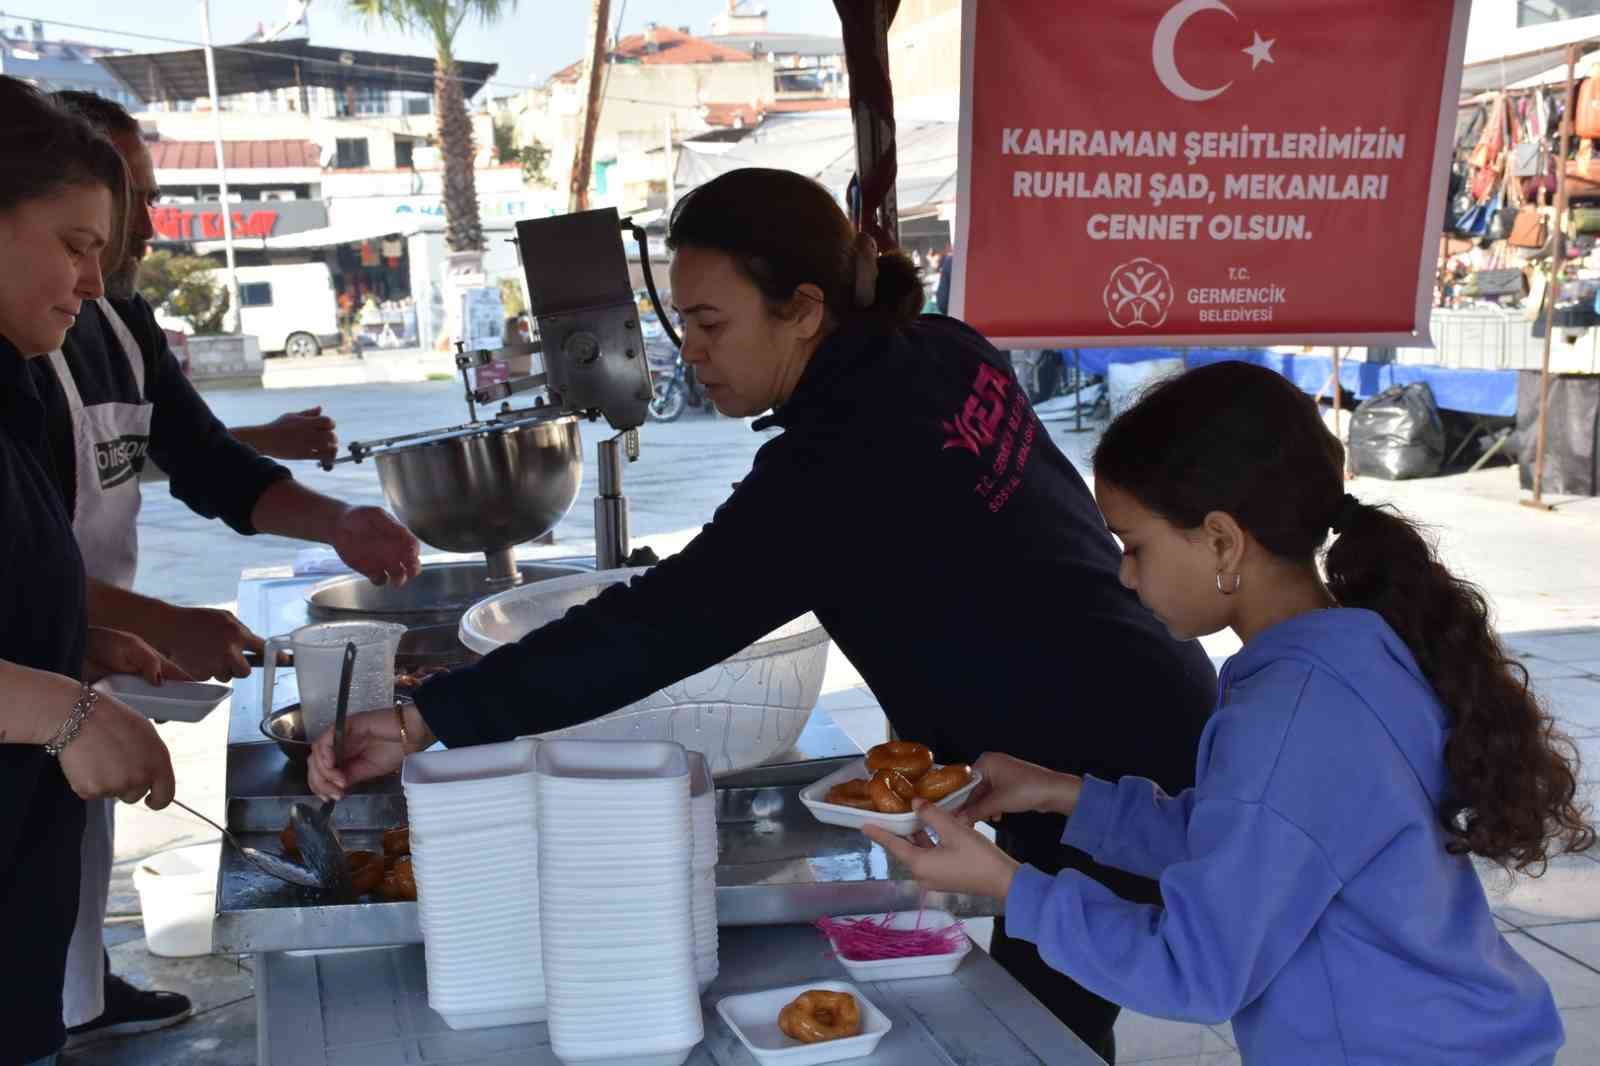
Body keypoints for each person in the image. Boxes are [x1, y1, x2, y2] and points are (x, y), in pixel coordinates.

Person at [311, 167, 1218, 1060]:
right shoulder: (942, 347)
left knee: (1045, 1028)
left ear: (805, 309)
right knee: (1048, 1010)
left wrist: (428, 717)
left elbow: (657, 625)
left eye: (712, 323)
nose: (690, 350)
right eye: (681, 322)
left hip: (1102, 763)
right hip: (1118, 718)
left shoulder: (839, 460)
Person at [869, 361, 1592, 1066]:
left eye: (1134, 545)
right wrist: (1067, 796)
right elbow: (1251, 838)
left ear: (1221, 540)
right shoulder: (1354, 652)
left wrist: (1008, 885)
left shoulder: (1288, 717)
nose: (1124, 574)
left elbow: (1194, 968)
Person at [41, 90, 422, 1049]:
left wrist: (340, 520)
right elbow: (17, 562)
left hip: (82, 639)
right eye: (120, 203)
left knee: (76, 843)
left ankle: (77, 992)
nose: (139, 227)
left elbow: (214, 466)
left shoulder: (119, 323)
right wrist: (161, 624)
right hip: (36, 652)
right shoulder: (21, 348)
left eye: (138, 200)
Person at [0, 75, 181, 1066]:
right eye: (72, 246)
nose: (91, 281)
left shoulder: (16, 388)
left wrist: (73, 642)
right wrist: (65, 709)